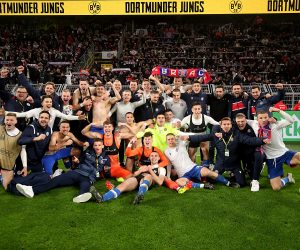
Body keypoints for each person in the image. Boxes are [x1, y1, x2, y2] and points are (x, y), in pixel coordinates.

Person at [16, 139, 110, 203]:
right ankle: (31, 190)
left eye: (99, 145)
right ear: (93, 146)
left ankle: (81, 196)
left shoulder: (106, 158)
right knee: (55, 181)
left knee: (85, 186)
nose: (97, 146)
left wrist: (106, 170)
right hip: (77, 173)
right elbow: (81, 161)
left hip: (89, 178)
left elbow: (106, 171)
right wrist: (77, 161)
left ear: (102, 146)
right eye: (95, 145)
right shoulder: (88, 152)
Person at [185, 117, 269, 187]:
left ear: (231, 125)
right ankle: (226, 176)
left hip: (234, 164)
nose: (226, 126)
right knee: (210, 180)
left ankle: (233, 174)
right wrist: (189, 137)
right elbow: (202, 137)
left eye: (228, 124)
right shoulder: (216, 135)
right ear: (221, 126)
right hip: (221, 164)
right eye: (224, 124)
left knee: (242, 183)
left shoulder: (237, 135)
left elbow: (249, 140)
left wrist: (262, 140)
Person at [247, 108, 300, 191]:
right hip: (272, 159)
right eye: (261, 118)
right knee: (276, 187)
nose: (263, 120)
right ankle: (288, 178)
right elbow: (242, 120)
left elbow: (291, 120)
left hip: (284, 153)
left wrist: (278, 110)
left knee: (298, 157)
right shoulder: (254, 124)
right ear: (257, 118)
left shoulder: (275, 124)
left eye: (265, 117)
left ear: (269, 117)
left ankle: (289, 164)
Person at [90, 151, 167, 205]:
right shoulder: (144, 167)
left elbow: (160, 182)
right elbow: (133, 175)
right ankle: (102, 198)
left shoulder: (161, 169)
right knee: (124, 185)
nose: (153, 157)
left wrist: (150, 170)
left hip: (148, 181)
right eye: (152, 156)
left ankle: (140, 194)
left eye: (155, 156)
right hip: (137, 180)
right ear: (149, 157)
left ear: (159, 158)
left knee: (148, 176)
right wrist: (139, 171)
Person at [165, 133, 238, 189]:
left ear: (175, 139)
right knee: (179, 182)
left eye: (172, 139)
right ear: (166, 141)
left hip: (193, 168)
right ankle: (203, 185)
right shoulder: (166, 151)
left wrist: (181, 135)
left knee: (208, 172)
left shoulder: (181, 144)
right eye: (169, 139)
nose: (171, 141)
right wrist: (168, 176)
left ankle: (228, 183)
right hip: (183, 175)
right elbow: (168, 164)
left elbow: (193, 135)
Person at [12, 95, 85, 129]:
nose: (49, 103)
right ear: (42, 103)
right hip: (35, 134)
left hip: (48, 134)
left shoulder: (54, 111)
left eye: (50, 102)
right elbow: (21, 114)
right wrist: (5, 113)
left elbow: (66, 117)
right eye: (47, 101)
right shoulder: (36, 111)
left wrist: (78, 117)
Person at [235, 113, 265, 192]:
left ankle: (255, 178)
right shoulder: (232, 126)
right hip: (237, 152)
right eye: (238, 121)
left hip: (249, 151)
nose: (240, 123)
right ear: (235, 121)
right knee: (240, 182)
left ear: (246, 121)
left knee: (259, 156)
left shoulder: (251, 128)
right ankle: (235, 170)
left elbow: (253, 142)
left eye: (242, 121)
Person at [0, 113, 27, 189]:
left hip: (7, 164)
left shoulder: (21, 135)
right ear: (4, 121)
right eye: (7, 120)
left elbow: (23, 151)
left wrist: (25, 167)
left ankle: (2, 177)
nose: (9, 122)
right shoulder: (1, 128)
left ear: (16, 121)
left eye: (11, 120)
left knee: (7, 187)